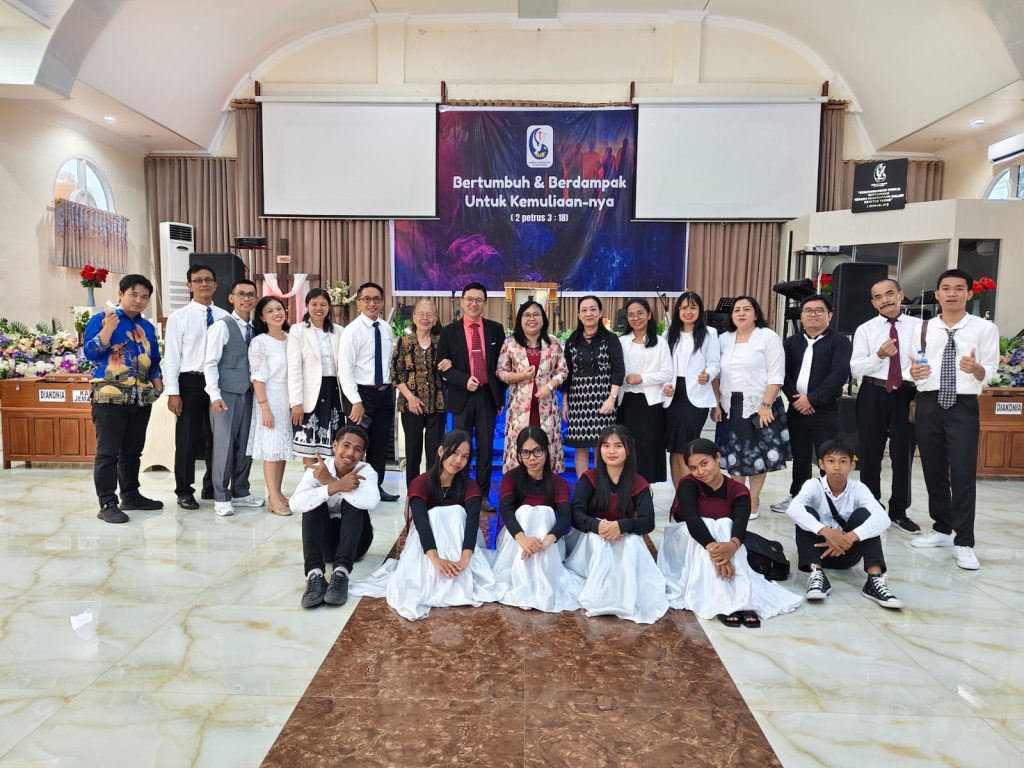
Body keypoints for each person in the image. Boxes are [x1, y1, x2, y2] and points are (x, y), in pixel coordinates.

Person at [350, 430, 504, 621]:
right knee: (436, 515)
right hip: (426, 545)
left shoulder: (469, 485)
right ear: (441, 451)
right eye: (454, 453)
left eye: (465, 456)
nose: (458, 461)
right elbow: (421, 522)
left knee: (456, 513)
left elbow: (472, 522)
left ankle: (457, 574)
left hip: (461, 544)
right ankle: (435, 573)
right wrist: (435, 559)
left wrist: (465, 558)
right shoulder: (421, 483)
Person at [909, 268, 1000, 571]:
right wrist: (914, 373)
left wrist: (976, 369)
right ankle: (942, 528)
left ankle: (964, 541)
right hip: (928, 402)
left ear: (969, 293)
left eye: (959, 288)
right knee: (933, 469)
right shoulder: (923, 327)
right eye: (946, 288)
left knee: (962, 473)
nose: (952, 294)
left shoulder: (984, 329)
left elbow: (991, 370)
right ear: (937, 294)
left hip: (962, 404)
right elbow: (913, 365)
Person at [659, 438, 801, 626]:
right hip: (689, 541)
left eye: (704, 463)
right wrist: (717, 553)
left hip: (726, 544)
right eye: (693, 468)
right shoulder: (688, 484)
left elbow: (740, 523)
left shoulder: (738, 490)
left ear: (717, 458)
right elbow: (692, 519)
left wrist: (731, 547)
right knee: (711, 525)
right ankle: (726, 601)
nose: (700, 472)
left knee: (725, 525)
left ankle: (739, 597)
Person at [565, 425, 669, 624]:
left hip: (623, 534)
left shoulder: (638, 482)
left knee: (630, 544)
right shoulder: (589, 478)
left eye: (618, 446)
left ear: (628, 450)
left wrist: (621, 526)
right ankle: (600, 596)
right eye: (606, 446)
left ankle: (625, 596)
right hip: (592, 536)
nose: (611, 451)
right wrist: (597, 526)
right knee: (600, 544)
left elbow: (648, 521)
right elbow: (576, 514)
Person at [83, 274, 163, 523]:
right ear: (120, 294)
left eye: (144, 297)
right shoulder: (102, 319)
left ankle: (130, 495)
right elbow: (90, 352)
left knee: (132, 451)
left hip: (140, 397)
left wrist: (158, 383)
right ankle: (107, 502)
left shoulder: (146, 327)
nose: (139, 300)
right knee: (108, 452)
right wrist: (107, 329)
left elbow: (154, 360)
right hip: (110, 397)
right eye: (133, 294)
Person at [785, 439, 903, 609]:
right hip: (818, 553)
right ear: (821, 464)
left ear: (852, 465)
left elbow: (883, 518)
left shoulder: (858, 488)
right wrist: (826, 531)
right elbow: (793, 509)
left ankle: (874, 580)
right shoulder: (813, 485)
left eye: (843, 461)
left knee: (865, 514)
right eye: (831, 461)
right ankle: (817, 575)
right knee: (805, 512)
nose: (837, 467)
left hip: (848, 552)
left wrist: (850, 537)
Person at [849, 278, 922, 534]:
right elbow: (856, 368)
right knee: (870, 454)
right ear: (873, 303)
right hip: (873, 392)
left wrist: (917, 372)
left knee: (903, 454)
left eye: (889, 293)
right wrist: (879, 355)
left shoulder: (920, 327)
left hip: (907, 393)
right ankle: (871, 507)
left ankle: (899, 511)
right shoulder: (865, 330)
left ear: (901, 294)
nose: (885, 300)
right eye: (878, 297)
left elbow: (926, 360)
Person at [772, 294, 851, 513]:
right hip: (797, 408)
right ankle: (798, 496)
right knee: (800, 456)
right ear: (802, 316)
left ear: (829, 315)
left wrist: (812, 399)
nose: (813, 314)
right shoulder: (791, 342)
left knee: (828, 456)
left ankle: (832, 499)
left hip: (825, 409)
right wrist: (797, 399)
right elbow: (783, 373)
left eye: (819, 310)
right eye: (808, 310)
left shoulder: (840, 342)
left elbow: (839, 374)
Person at [714, 295, 790, 519]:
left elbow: (776, 375)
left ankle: (753, 499)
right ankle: (739, 498)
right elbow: (716, 375)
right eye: (737, 310)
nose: (741, 313)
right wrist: (716, 403)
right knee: (734, 455)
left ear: (756, 314)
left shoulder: (767, 337)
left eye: (747, 309)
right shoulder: (724, 339)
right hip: (730, 405)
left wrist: (766, 405)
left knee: (756, 454)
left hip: (760, 404)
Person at [492, 427, 582, 613]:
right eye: (525, 453)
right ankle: (522, 580)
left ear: (546, 451)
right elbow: (507, 511)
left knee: (544, 513)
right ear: (519, 455)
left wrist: (544, 542)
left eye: (537, 451)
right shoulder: (511, 478)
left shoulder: (558, 483)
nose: (532, 458)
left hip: (548, 544)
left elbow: (565, 517)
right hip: (516, 543)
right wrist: (524, 541)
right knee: (526, 512)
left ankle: (543, 580)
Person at [291, 426, 380, 609]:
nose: (350, 453)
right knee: (312, 502)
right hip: (326, 547)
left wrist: (332, 483)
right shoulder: (318, 469)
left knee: (356, 503)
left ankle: (341, 574)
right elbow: (295, 504)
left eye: (357, 449)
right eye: (346, 446)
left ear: (363, 454)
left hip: (356, 544)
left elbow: (371, 502)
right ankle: (315, 575)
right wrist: (331, 488)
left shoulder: (366, 471)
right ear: (335, 445)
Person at [162, 263, 227, 510]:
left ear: (216, 285)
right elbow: (172, 357)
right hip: (190, 382)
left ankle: (211, 485)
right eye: (198, 280)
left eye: (208, 280)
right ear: (189, 285)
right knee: (187, 439)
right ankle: (184, 490)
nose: (204, 284)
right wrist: (173, 392)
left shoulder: (224, 316)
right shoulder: (179, 318)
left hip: (218, 383)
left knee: (217, 438)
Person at [438, 282, 507, 510]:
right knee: (460, 448)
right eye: (469, 299)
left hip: (487, 396)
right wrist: (463, 379)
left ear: (485, 304)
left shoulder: (496, 329)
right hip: (462, 397)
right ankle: (460, 492)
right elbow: (442, 366)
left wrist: (500, 398)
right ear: (462, 301)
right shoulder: (449, 332)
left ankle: (482, 495)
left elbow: (501, 365)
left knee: (486, 448)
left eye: (479, 300)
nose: (474, 303)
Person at [204, 279, 265, 517]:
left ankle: (241, 491)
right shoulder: (222, 326)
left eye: (251, 294)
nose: (246, 299)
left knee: (246, 445)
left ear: (256, 299)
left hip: (249, 394)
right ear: (231, 298)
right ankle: (221, 496)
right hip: (226, 394)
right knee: (224, 446)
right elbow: (210, 363)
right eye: (241, 294)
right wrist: (214, 395)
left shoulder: (255, 328)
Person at [338, 281, 398, 502]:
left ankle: (375, 487)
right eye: (367, 299)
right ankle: (349, 486)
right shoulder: (352, 331)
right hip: (361, 395)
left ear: (382, 302)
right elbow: (345, 369)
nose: (372, 303)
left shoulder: (386, 328)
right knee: (355, 443)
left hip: (385, 393)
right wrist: (355, 401)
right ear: (359, 303)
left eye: (376, 299)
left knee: (380, 444)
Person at [497, 300, 568, 473]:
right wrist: (521, 376)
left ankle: (547, 486)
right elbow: (500, 372)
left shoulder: (553, 343)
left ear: (543, 319)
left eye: (536, 315)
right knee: (520, 448)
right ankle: (518, 485)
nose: (532, 319)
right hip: (520, 409)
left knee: (545, 448)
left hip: (546, 409)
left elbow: (563, 370)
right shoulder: (510, 343)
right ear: (520, 319)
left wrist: (550, 386)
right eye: (527, 315)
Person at [562, 295, 624, 478]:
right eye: (584, 310)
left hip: (604, 400)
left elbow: (618, 370)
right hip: (578, 401)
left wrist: (612, 399)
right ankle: (584, 486)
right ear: (579, 315)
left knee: (602, 445)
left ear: (600, 313)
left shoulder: (610, 339)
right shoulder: (572, 341)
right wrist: (565, 402)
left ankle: (602, 486)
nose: (588, 313)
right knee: (580, 447)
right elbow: (567, 374)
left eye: (593, 309)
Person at [663, 291, 721, 487]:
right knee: (674, 448)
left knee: (688, 447)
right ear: (678, 310)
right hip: (673, 395)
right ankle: (680, 493)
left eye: (693, 307)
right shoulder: (668, 334)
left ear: (700, 310)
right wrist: (665, 386)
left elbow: (714, 364)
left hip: (696, 394)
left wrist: (708, 375)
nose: (688, 312)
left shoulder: (710, 333)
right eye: (684, 307)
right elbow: (663, 365)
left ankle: (691, 492)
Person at [392, 298, 449, 487]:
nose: (425, 318)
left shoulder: (442, 342)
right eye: (421, 314)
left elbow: (452, 368)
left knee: (435, 452)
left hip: (437, 404)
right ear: (414, 317)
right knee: (412, 452)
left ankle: (431, 491)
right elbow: (396, 374)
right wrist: (410, 397)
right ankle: (414, 492)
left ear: (435, 319)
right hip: (411, 405)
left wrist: (450, 362)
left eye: (429, 315)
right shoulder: (404, 342)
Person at [616, 298, 672, 483]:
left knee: (648, 450)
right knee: (627, 448)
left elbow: (667, 372)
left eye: (640, 313)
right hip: (626, 402)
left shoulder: (660, 342)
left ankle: (645, 492)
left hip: (650, 403)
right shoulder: (621, 341)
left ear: (649, 315)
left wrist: (643, 378)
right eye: (631, 315)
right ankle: (626, 492)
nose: (635, 318)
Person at [246, 296, 293, 516]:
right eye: (270, 311)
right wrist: (265, 407)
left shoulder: (290, 339)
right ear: (262, 317)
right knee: (272, 450)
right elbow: (257, 378)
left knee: (282, 449)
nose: (276, 313)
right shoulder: (260, 342)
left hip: (288, 398)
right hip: (270, 397)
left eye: (279, 309)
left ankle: (278, 492)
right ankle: (273, 498)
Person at [288, 288, 344, 467]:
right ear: (307, 306)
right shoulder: (298, 330)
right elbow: (294, 368)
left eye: (323, 304)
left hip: (334, 392)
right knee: (310, 446)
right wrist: (296, 402)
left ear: (329, 307)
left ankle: (329, 481)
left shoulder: (339, 331)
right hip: (311, 393)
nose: (318, 308)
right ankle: (311, 482)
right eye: (314, 304)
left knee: (333, 444)